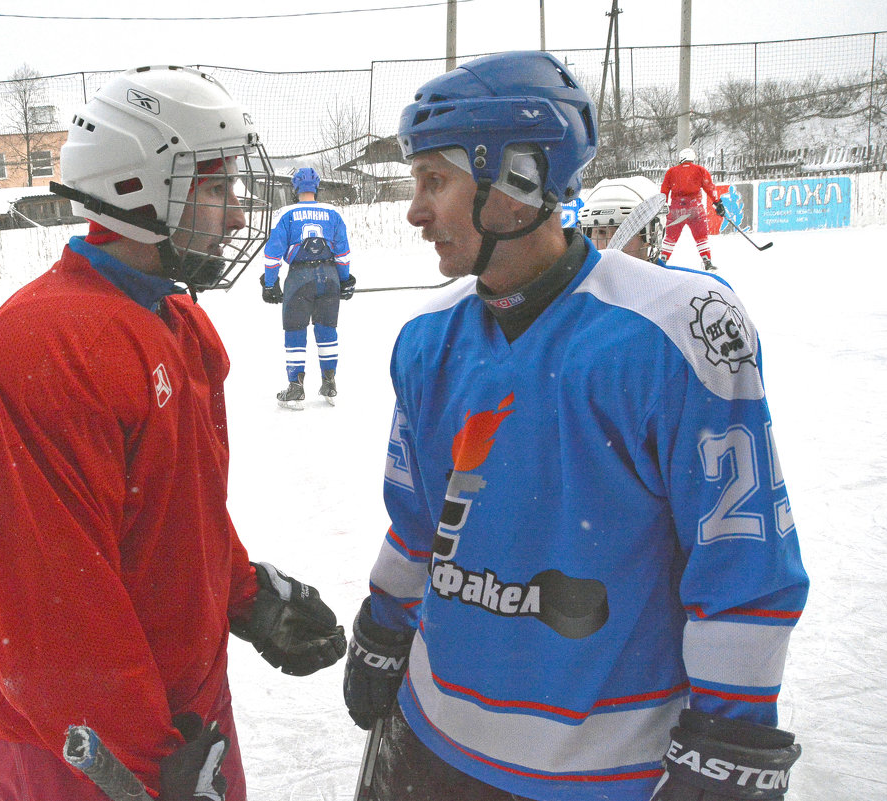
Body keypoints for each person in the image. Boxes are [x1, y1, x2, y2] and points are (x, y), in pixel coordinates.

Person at [342, 51, 809, 801]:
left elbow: (738, 558)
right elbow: (418, 521)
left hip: (607, 770)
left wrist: (734, 730)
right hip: (431, 739)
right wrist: (385, 620)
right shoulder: (426, 339)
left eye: (435, 179)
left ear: (520, 179)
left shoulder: (673, 329)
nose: (414, 210)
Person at [0, 65, 347, 801]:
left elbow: (177, 506)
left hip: (175, 710)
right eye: (215, 189)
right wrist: (133, 762)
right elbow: (50, 596)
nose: (235, 217)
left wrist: (242, 592)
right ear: (137, 187)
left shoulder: (176, 321)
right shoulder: (45, 345)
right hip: (85, 742)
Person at [259, 166, 356, 409]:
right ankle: (330, 383)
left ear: (295, 188)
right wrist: (344, 279)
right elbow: (343, 253)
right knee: (327, 330)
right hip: (330, 276)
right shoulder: (333, 213)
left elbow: (273, 254)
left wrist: (270, 283)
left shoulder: (286, 213)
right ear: (317, 188)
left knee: (295, 330)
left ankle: (295, 388)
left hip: (299, 278)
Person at [578, 175, 667, 264]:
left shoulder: (672, 277)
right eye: (601, 232)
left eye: (623, 234)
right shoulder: (583, 277)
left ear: (652, 236)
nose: (610, 245)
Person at [659, 147, 724, 270]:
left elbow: (664, 190)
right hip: (695, 208)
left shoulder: (671, 172)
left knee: (671, 237)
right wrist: (717, 203)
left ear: (681, 158)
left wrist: (664, 204)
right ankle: (707, 260)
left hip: (676, 208)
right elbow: (710, 188)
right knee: (701, 236)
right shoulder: (700, 170)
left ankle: (663, 259)